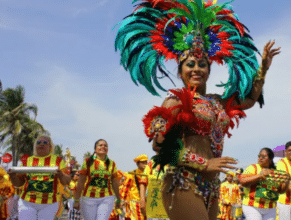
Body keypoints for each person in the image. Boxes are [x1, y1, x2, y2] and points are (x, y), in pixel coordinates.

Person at [115, 1, 280, 220]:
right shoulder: (174, 102)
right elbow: (160, 146)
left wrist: (263, 68)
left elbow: (249, 99)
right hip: (183, 182)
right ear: (181, 71)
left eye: (202, 64)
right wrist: (205, 163)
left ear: (210, 70)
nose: (196, 69)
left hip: (211, 188)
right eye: (190, 64)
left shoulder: (216, 101)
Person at [8, 135, 71, 220]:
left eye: (45, 142)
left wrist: (61, 175)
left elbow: (66, 181)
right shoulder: (27, 161)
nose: (41, 144)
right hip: (27, 202)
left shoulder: (58, 161)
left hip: (49, 204)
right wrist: (12, 176)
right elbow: (19, 183)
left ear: (50, 147)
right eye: (38, 142)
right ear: (35, 146)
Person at [73, 139, 121, 220]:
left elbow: (115, 182)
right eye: (100, 145)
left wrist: (119, 199)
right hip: (88, 198)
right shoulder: (88, 162)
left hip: (107, 198)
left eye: (105, 145)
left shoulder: (112, 164)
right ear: (95, 149)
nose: (103, 147)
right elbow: (81, 182)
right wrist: (76, 199)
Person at [239, 148, 289, 220]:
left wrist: (286, 182)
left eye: (263, 156)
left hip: (270, 208)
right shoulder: (253, 168)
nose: (260, 158)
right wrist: (260, 176)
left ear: (270, 159)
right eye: (259, 156)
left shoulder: (275, 172)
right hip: (252, 206)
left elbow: (281, 191)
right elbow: (242, 181)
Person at [276, 141, 291, 220]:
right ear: (285, 152)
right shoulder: (281, 163)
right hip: (285, 202)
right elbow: (285, 181)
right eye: (290, 150)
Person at [121, 154, 148, 220]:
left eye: (146, 162)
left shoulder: (148, 173)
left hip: (146, 203)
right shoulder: (132, 174)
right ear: (138, 164)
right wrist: (122, 200)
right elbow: (125, 188)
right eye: (143, 162)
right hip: (135, 203)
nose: (145, 164)